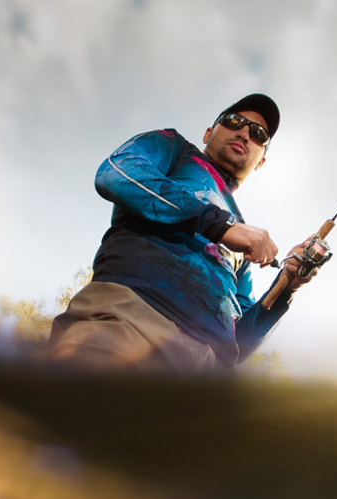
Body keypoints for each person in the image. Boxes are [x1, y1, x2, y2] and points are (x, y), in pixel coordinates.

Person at [49, 94, 320, 371]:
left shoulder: (242, 239)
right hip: (133, 319)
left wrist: (287, 283)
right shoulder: (174, 148)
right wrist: (220, 225)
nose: (243, 132)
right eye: (234, 120)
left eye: (259, 133)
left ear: (261, 161)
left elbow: (241, 341)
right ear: (207, 133)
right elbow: (117, 172)